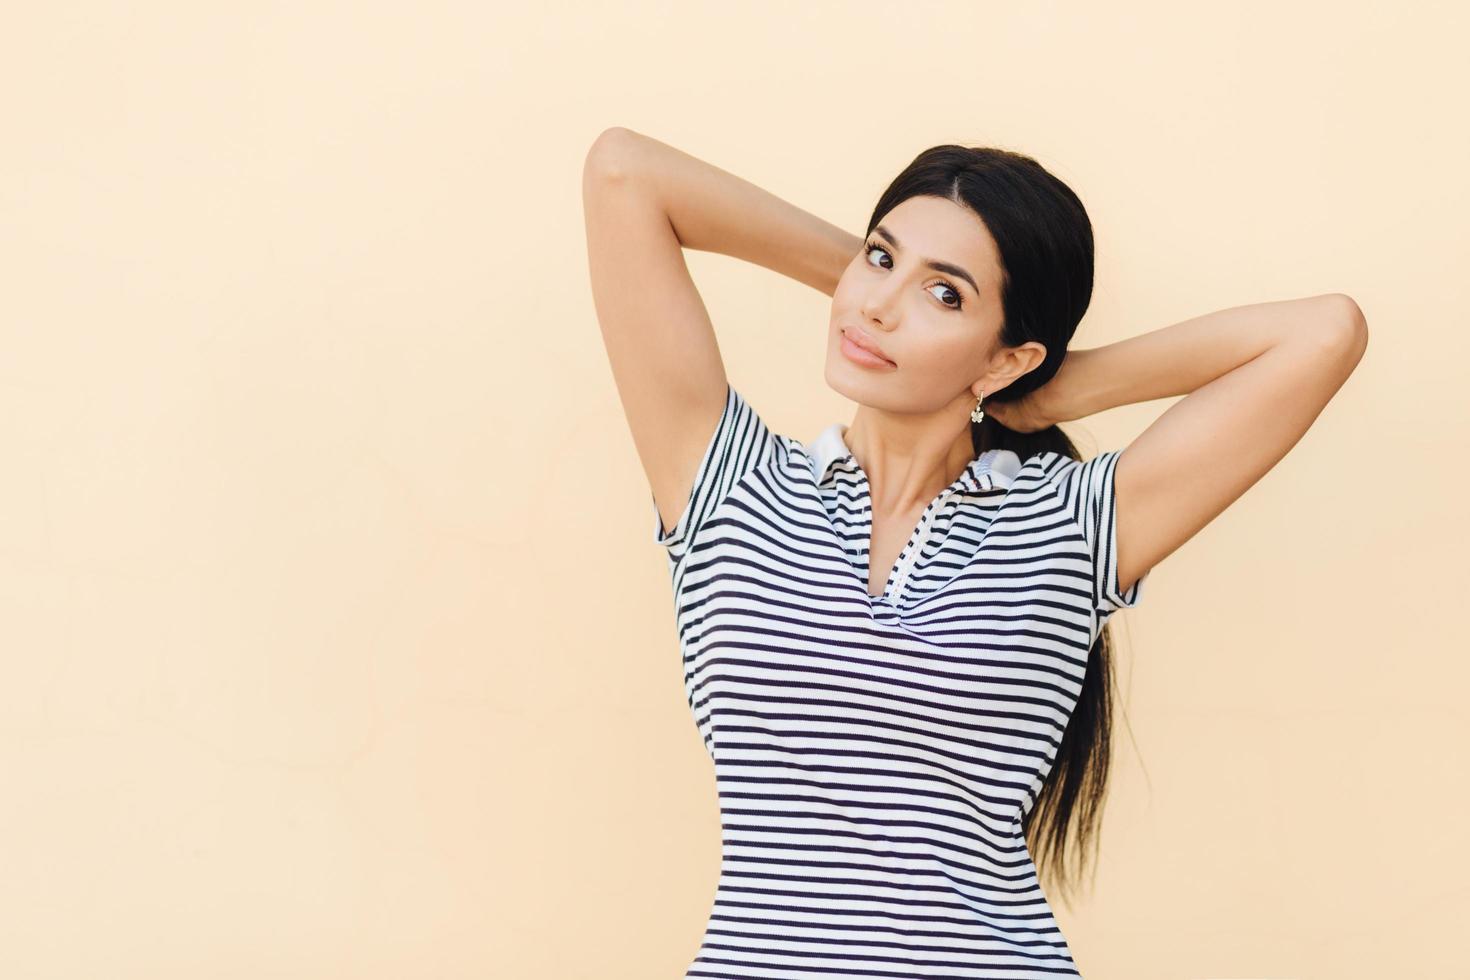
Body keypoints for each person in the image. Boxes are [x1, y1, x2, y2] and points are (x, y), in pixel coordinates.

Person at [581, 126, 1368, 979]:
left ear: (1010, 353)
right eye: (882, 259)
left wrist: (1053, 384)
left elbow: (1326, 333)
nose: (880, 306)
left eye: (946, 297)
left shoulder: (1071, 523)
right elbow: (624, 173)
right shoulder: (727, 487)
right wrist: (869, 278)